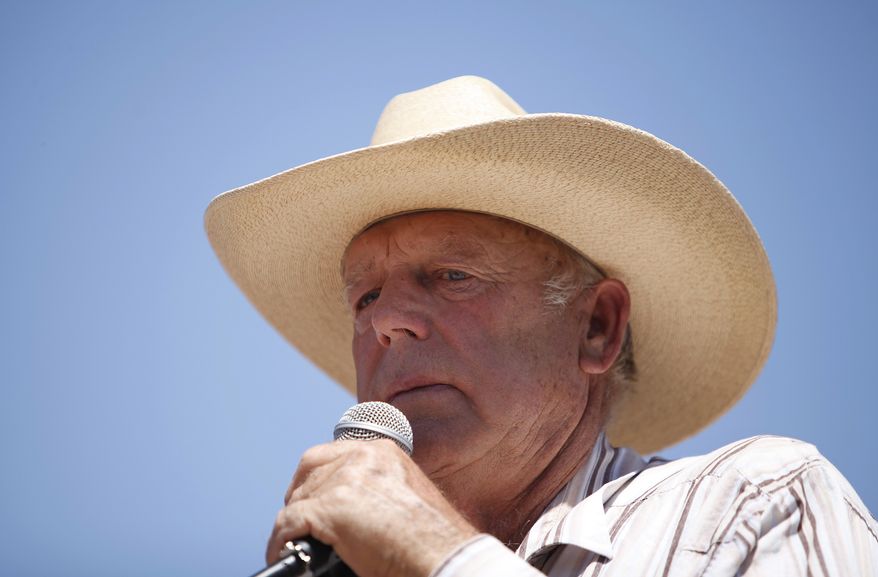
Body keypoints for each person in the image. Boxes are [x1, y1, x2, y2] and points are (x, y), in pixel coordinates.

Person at [205, 76, 877, 576]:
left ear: (597, 327)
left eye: (453, 275)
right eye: (365, 297)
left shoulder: (751, 503)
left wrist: (435, 550)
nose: (386, 320)